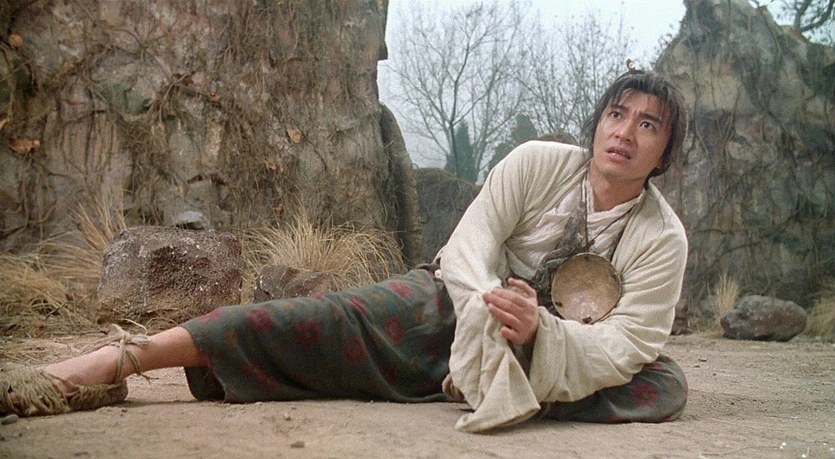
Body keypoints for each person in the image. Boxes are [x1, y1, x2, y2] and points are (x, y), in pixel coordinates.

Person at [1, 70, 689, 432]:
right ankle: (116, 361)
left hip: (541, 349)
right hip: (456, 306)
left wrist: (542, 334)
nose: (624, 132)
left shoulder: (661, 238)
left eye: (647, 125)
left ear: (663, 153)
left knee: (663, 385)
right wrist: (489, 308)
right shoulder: (537, 162)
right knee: (321, 320)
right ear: (597, 123)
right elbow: (470, 246)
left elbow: (629, 341)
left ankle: (468, 381)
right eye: (616, 114)